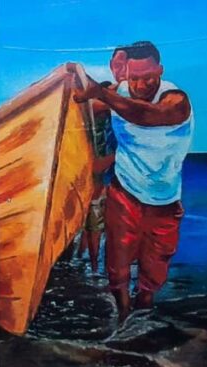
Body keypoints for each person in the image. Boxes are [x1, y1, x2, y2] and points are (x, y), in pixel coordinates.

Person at [73, 40, 193, 320]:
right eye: (134, 78)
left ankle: (144, 308)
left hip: (164, 199)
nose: (140, 85)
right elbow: (82, 109)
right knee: (118, 263)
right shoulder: (118, 92)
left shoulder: (176, 100)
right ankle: (124, 313)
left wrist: (102, 93)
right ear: (126, 73)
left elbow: (147, 116)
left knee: (155, 269)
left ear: (160, 70)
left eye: (148, 77)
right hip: (125, 192)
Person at [78, 47, 127, 273]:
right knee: (95, 226)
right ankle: (95, 267)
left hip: (108, 179)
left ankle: (93, 265)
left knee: (97, 227)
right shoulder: (100, 108)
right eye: (117, 63)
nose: (121, 69)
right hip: (99, 177)